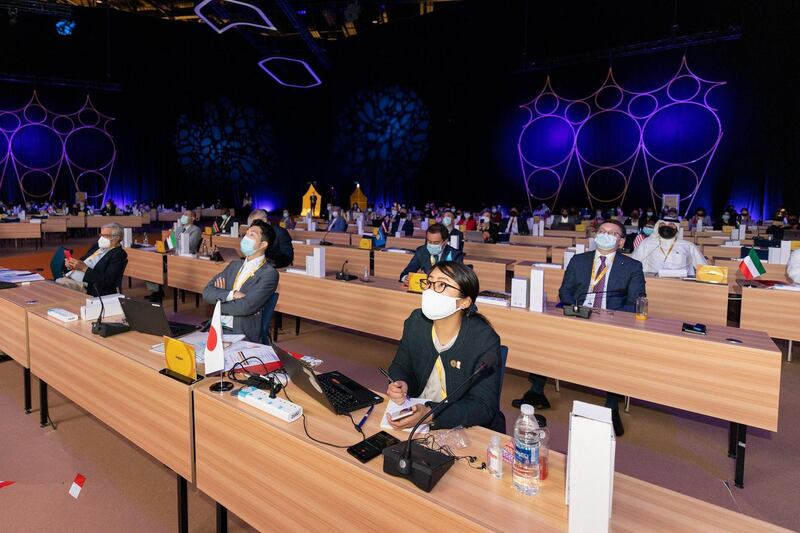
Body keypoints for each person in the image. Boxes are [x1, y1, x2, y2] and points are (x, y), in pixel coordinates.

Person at [513, 220, 644, 436]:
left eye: (612, 233)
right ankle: (536, 391)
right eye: (602, 231)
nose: (605, 235)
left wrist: (611, 317)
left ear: (621, 241)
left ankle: (612, 404)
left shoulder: (632, 267)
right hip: (577, 316)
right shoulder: (579, 260)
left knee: (619, 348)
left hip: (611, 323)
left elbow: (636, 301)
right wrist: (577, 309)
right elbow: (565, 291)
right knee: (544, 334)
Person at [386, 261, 505, 432]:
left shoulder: (484, 339)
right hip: (415, 414)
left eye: (441, 284)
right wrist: (400, 383)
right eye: (429, 282)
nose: (429, 291)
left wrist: (431, 414)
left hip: (462, 426)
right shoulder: (415, 322)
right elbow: (400, 366)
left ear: (464, 302)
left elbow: (483, 406)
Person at [203, 220, 278, 342]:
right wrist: (232, 294)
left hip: (241, 331)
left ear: (263, 244)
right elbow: (207, 292)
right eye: (246, 233)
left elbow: (245, 307)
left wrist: (219, 299)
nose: (246, 237)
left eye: (252, 235)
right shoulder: (234, 265)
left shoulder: (269, 274)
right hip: (218, 327)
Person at [56, 223, 128, 296]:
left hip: (88, 286)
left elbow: (107, 281)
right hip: (71, 277)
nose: (101, 239)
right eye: (101, 235)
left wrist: (84, 268)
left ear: (117, 238)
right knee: (53, 285)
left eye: (105, 236)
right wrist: (72, 265)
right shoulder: (98, 246)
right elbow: (83, 260)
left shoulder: (119, 254)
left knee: (58, 285)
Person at [632, 219, 707, 275]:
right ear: (658, 227)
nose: (666, 227)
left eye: (670, 225)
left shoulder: (688, 246)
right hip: (653, 282)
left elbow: (704, 268)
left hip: (681, 285)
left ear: (676, 229)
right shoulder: (647, 243)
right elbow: (633, 263)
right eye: (662, 225)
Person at [399, 224, 464, 282]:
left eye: (436, 243)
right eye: (429, 242)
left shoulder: (455, 254)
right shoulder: (421, 251)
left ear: (445, 241)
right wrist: (406, 278)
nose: (432, 245)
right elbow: (407, 271)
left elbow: (459, 279)